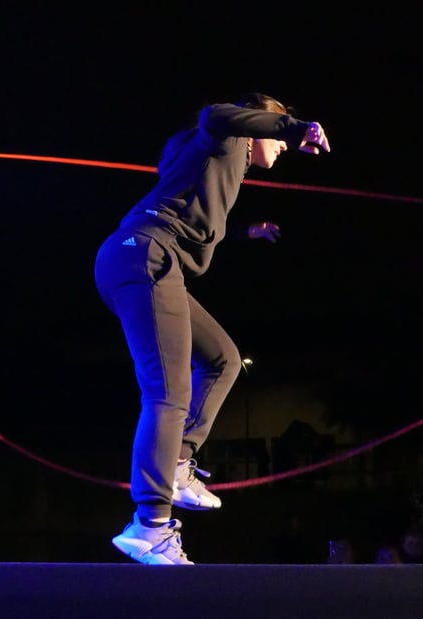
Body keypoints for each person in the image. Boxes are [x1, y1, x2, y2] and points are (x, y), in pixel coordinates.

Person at [94, 92, 330, 565]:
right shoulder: (226, 134)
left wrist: (247, 233)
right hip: (146, 256)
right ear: (259, 122)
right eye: (274, 132)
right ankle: (150, 525)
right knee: (168, 390)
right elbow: (214, 114)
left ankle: (178, 462)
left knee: (223, 358)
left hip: (145, 259)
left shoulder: (222, 167)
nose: (281, 148)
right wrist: (294, 127)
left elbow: (198, 225)